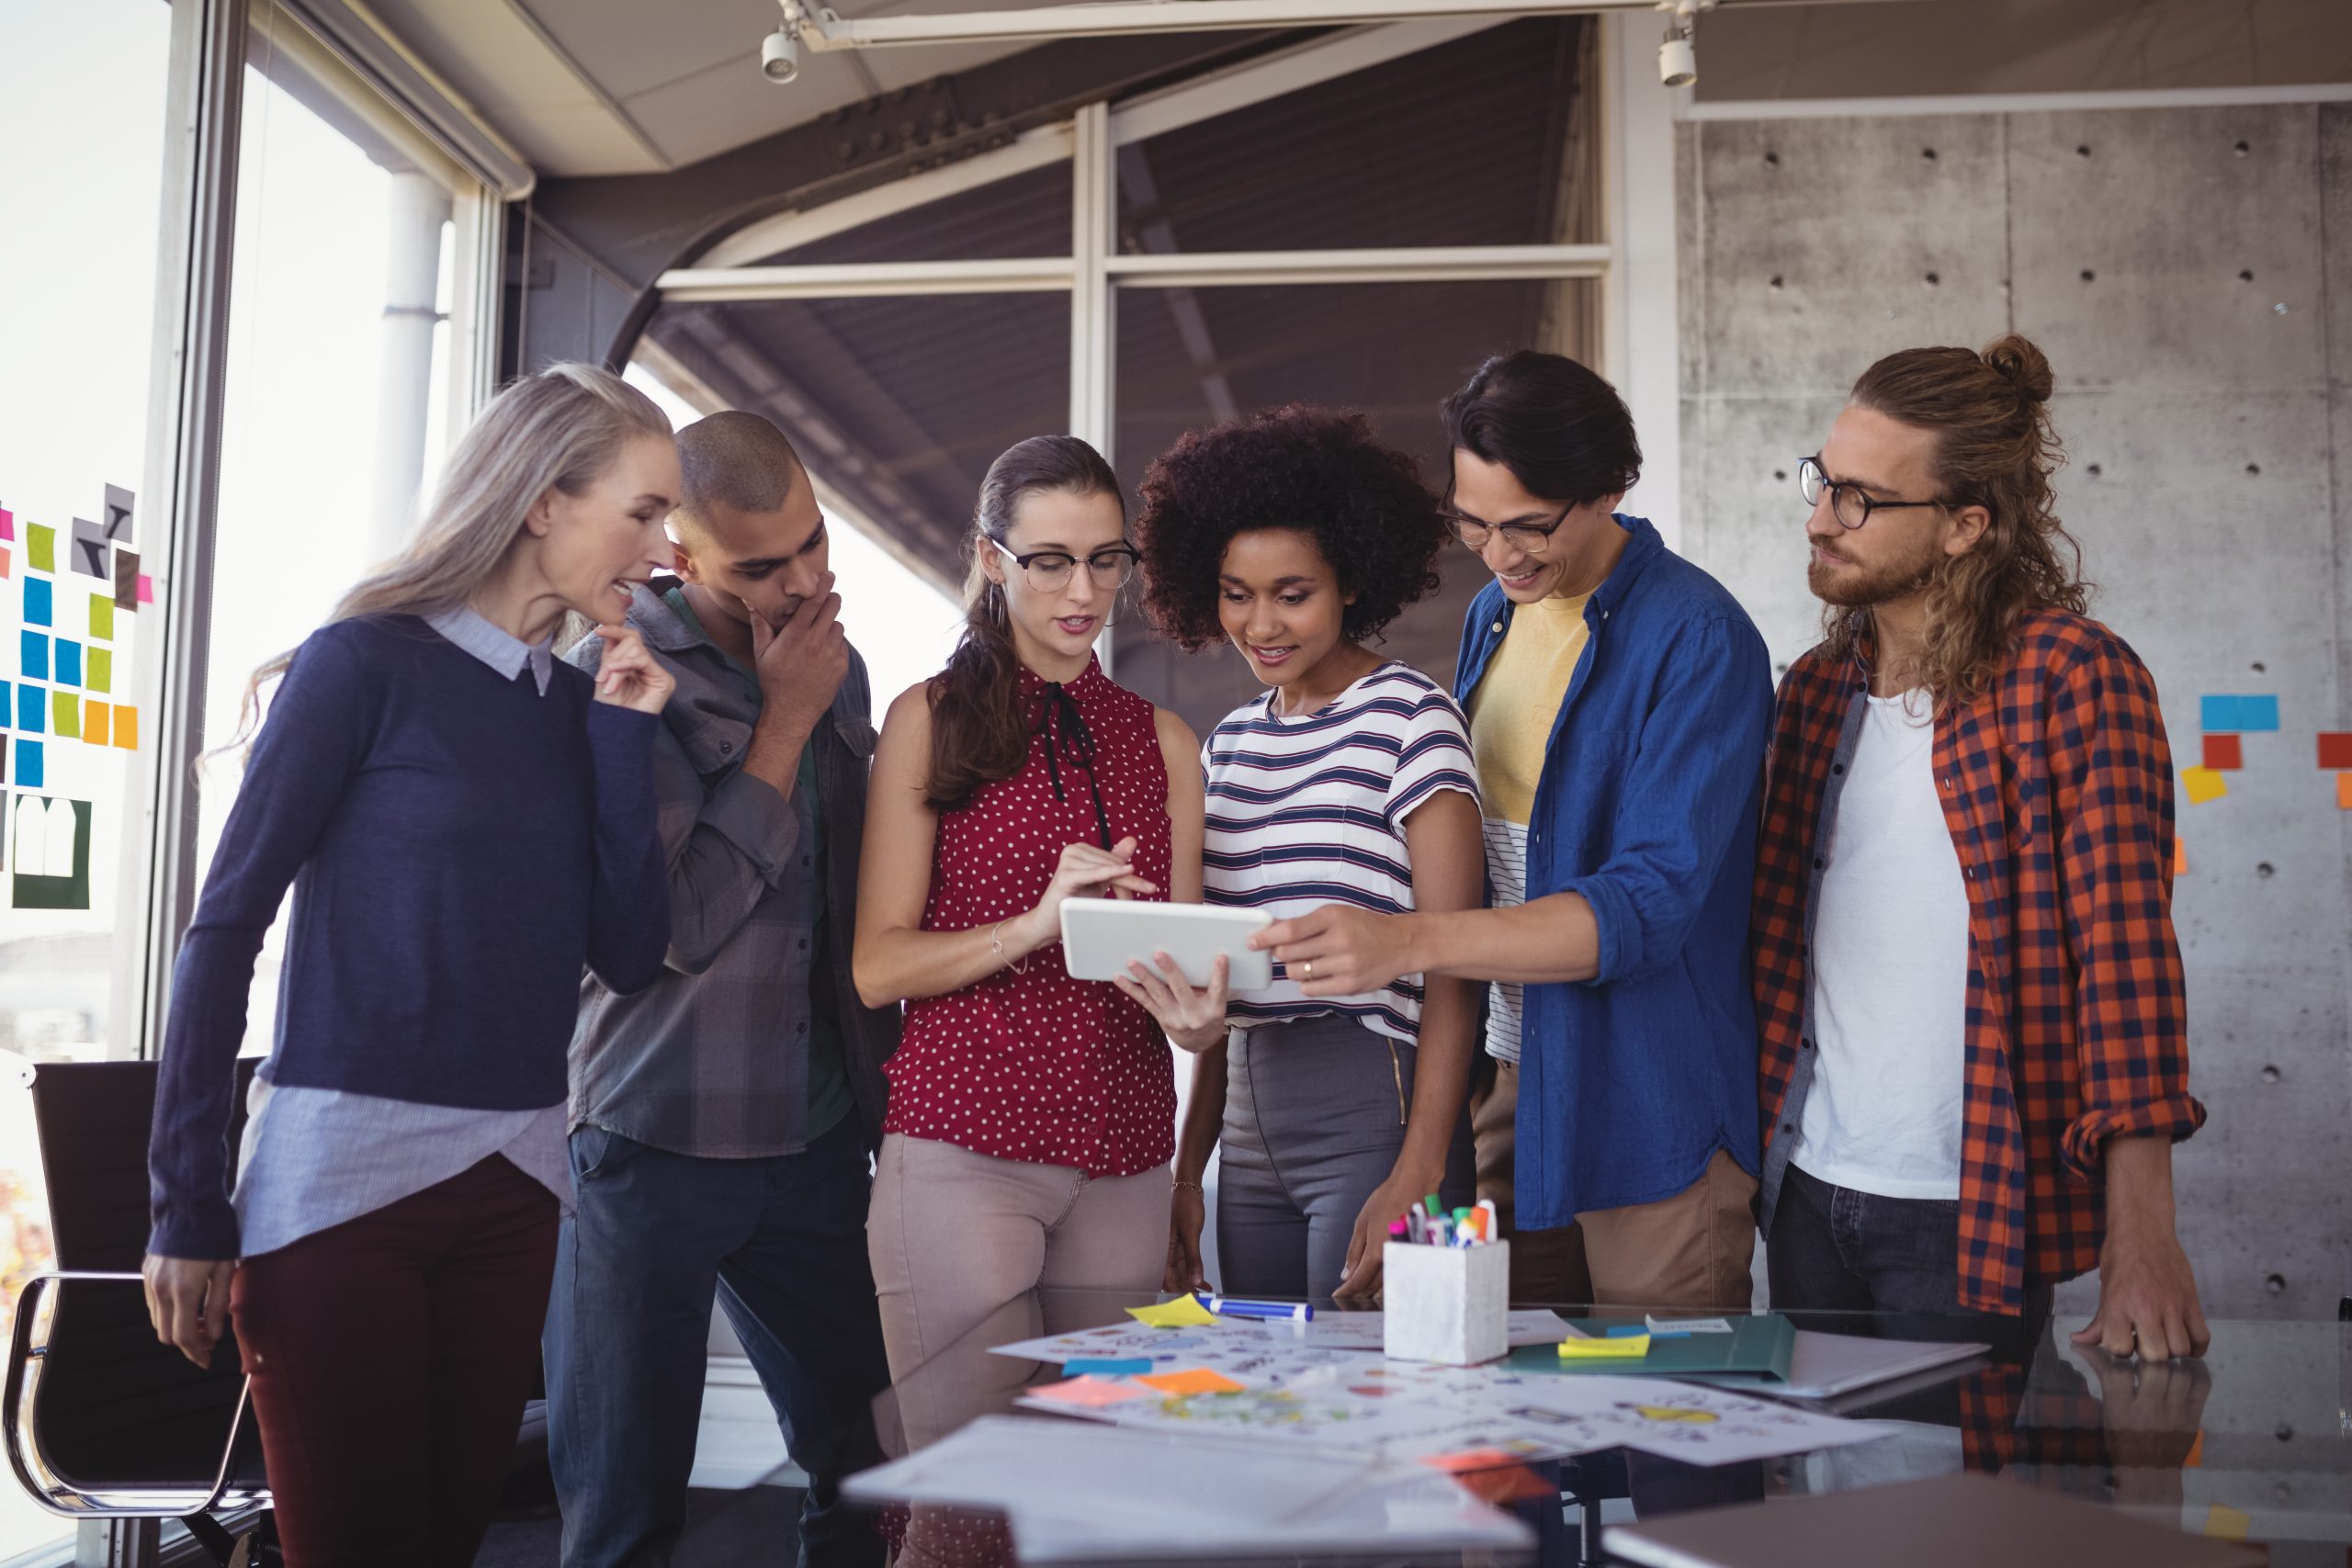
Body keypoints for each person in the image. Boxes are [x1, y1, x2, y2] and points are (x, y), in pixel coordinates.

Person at [142, 364, 677, 1568]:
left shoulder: (577, 701)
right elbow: (222, 926)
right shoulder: (362, 662)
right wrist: (185, 1200)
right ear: (544, 501)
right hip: (341, 1192)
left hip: (517, 1185)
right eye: (642, 510)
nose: (660, 547)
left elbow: (633, 951)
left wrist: (626, 736)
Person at [1250, 352, 1770, 1312]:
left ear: (1610, 486)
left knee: (1667, 1431)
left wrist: (1403, 940)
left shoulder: (1699, 636)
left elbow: (1645, 907)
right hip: (1513, 1079)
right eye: (1474, 524)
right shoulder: (1494, 617)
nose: (1499, 555)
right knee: (1512, 1432)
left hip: (1646, 1095)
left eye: (1529, 526)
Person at [1753, 333, 2209, 1355]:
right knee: (1823, 1507)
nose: (1821, 518)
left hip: (1968, 1206)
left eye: (1861, 499)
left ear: (1965, 525)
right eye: (1823, 482)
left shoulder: (2070, 677)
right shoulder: (1813, 695)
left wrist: (2144, 1238)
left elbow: (2126, 959)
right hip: (1806, 1188)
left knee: (1957, 1511)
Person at [545, 412, 897, 1568]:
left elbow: (855, 907)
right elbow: (669, 929)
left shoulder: (839, 666)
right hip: (655, 1140)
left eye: (812, 544)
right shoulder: (617, 675)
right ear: (682, 559)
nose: (802, 583)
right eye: (760, 566)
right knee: (627, 1513)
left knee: (874, 1477)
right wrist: (788, 720)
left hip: (815, 1144)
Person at [853, 435, 1215, 1449]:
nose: (1083, 588)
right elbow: (877, 965)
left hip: (1129, 1156)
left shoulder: (1167, 742)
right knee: (967, 1504)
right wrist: (1032, 924)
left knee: (1092, 1497)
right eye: (1049, 559)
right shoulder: (924, 720)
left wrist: (1200, 1016)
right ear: (990, 557)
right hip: (965, 1149)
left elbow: (1182, 978)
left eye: (1105, 559)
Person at [1129, 404, 1482, 1303]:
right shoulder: (1229, 746)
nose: (1261, 624)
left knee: (1379, 1413)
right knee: (1277, 1411)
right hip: (1246, 1127)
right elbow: (1222, 969)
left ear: (1351, 583)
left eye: (1293, 593)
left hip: (1379, 1107)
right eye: (1236, 593)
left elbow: (1457, 962)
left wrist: (1424, 1166)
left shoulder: (1413, 717)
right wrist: (1185, 1173)